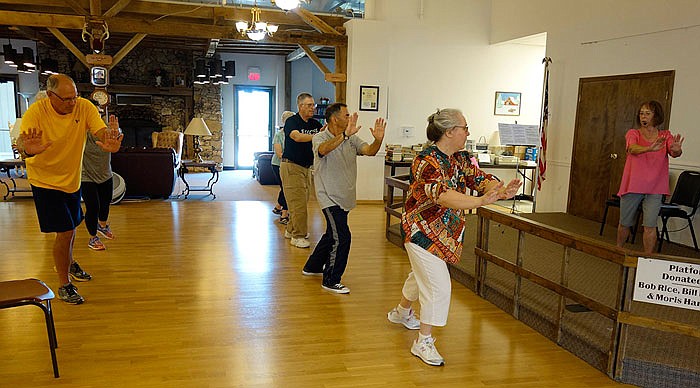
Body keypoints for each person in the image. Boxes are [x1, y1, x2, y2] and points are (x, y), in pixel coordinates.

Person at [386, 108, 521, 366]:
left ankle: (402, 312)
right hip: (421, 229)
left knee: (421, 274)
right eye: (465, 128)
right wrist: (481, 201)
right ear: (449, 131)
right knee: (438, 285)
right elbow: (442, 195)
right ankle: (423, 341)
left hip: (446, 230)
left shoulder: (461, 158)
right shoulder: (426, 162)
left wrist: (499, 191)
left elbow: (482, 179)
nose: (468, 132)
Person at [17, 74, 123, 304]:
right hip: (44, 181)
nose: (71, 103)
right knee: (65, 232)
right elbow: (22, 145)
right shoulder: (36, 112)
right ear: (50, 95)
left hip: (71, 180)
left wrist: (110, 137)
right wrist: (29, 150)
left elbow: (99, 130)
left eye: (74, 97)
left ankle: (69, 261)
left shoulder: (83, 107)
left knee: (72, 228)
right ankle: (64, 284)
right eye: (66, 99)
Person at [301, 103, 386, 294]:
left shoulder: (352, 139)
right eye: (346, 115)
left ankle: (312, 266)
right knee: (342, 237)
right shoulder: (319, 137)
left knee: (332, 234)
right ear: (334, 118)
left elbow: (370, 151)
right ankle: (331, 280)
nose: (350, 118)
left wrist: (378, 140)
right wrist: (345, 135)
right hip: (328, 196)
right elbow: (323, 150)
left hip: (344, 195)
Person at [617, 100, 683, 253]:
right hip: (633, 185)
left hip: (655, 187)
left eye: (647, 113)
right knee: (625, 222)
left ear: (656, 115)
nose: (643, 116)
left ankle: (648, 259)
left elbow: (674, 152)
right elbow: (632, 148)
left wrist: (677, 150)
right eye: (641, 113)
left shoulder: (665, 135)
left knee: (650, 225)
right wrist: (649, 148)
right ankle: (618, 250)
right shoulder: (633, 133)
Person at [280, 93, 323, 248]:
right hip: (291, 166)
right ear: (300, 106)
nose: (313, 108)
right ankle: (298, 236)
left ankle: (291, 230)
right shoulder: (292, 121)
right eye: (309, 105)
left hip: (306, 168)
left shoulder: (315, 124)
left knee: (300, 202)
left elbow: (325, 135)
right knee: (298, 204)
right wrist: (317, 136)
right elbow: (297, 137)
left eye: (313, 105)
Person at [82, 130, 116, 251]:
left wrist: (116, 132)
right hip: (86, 176)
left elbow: (116, 139)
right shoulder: (81, 132)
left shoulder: (107, 130)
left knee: (105, 203)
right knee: (93, 207)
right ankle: (93, 238)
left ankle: (102, 226)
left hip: (105, 174)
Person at [271, 110, 295, 225]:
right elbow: (279, 153)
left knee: (286, 187)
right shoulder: (279, 134)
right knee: (286, 188)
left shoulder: (294, 133)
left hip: (292, 165)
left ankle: (278, 206)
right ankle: (284, 214)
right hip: (278, 165)